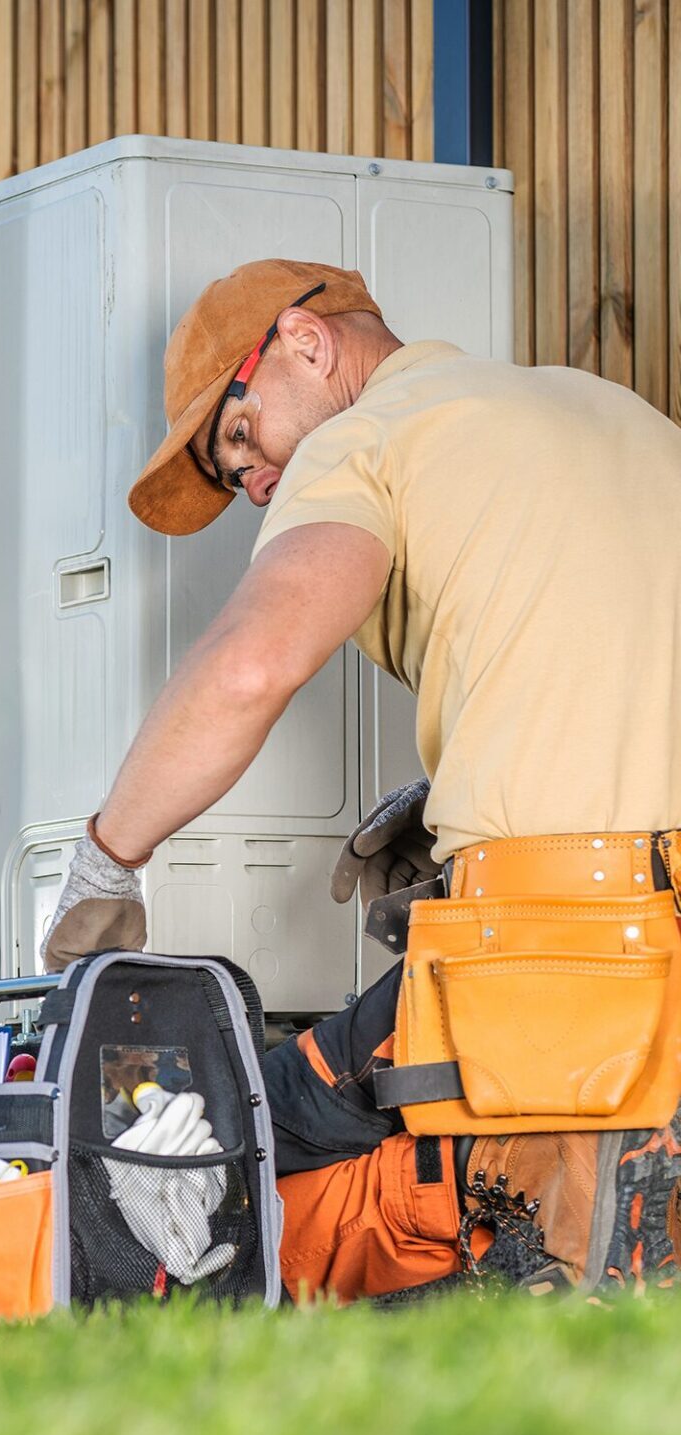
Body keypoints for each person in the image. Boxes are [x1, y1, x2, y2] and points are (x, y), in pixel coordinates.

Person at [41, 258, 681, 1302]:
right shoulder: (602, 407)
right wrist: (469, 794)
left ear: (305, 340)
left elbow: (251, 667)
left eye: (241, 436)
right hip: (651, 934)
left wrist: (104, 861)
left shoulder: (365, 439)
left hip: (562, 951)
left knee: (235, 1117)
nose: (254, 484)